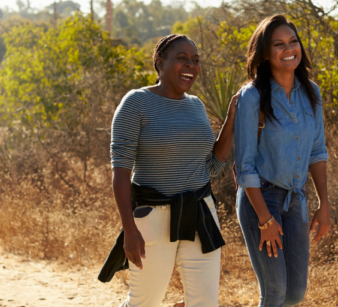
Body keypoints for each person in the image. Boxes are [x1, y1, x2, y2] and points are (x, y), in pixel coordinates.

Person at [98, 34, 237, 307]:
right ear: (160, 63)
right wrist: (129, 228)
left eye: (195, 61)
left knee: (205, 302)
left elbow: (211, 167)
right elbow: (121, 172)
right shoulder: (135, 103)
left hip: (200, 212)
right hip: (152, 217)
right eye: (182, 59)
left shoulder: (196, 105)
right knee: (146, 301)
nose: (191, 66)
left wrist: (231, 120)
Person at [233, 15, 331, 307]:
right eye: (279, 44)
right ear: (265, 53)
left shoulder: (312, 93)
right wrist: (265, 219)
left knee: (294, 294)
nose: (289, 49)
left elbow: (317, 150)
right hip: (260, 201)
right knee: (274, 292)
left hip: (296, 200)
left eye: (293, 41)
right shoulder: (252, 96)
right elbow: (244, 166)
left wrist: (323, 203)